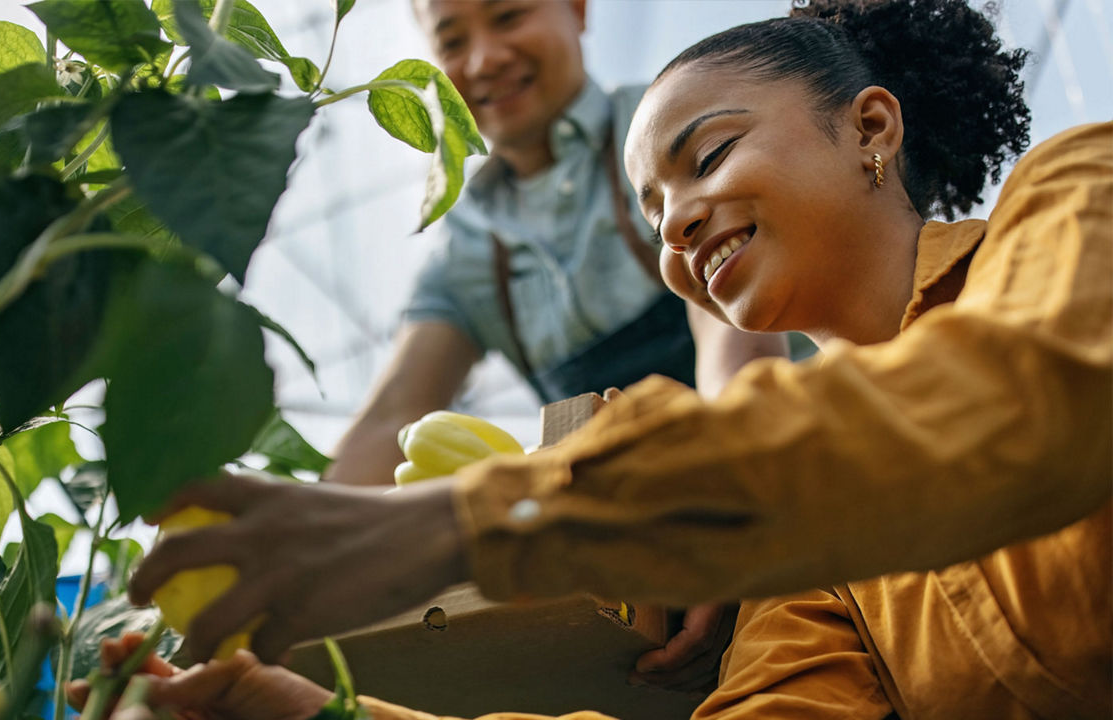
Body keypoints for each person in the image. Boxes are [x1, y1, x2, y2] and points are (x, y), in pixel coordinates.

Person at [100, 0, 1111, 718]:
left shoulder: (1076, 188)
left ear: (871, 128)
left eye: (706, 158)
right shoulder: (819, 579)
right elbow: (390, 411)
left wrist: (478, 522)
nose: (675, 228)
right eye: (651, 215)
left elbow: (1013, 406)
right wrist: (307, 709)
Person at [323, 0, 785, 694]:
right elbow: (391, 419)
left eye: (508, 15)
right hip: (642, 574)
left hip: (777, 491)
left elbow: (729, 328)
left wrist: (732, 495)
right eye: (452, 39)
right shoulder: (466, 252)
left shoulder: (659, 133)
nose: (484, 58)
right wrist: (292, 556)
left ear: (576, 9)